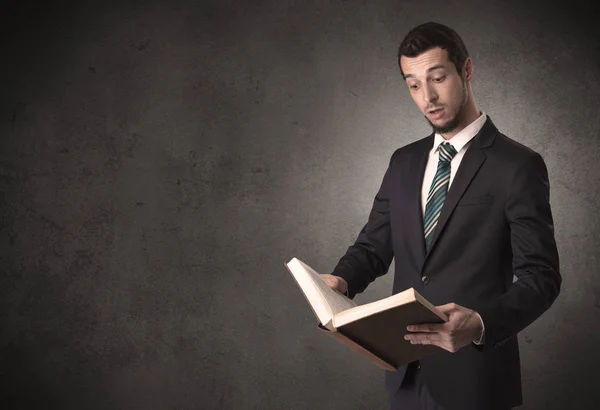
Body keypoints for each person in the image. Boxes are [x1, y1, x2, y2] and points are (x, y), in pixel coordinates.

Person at [320, 22, 561, 410]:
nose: (427, 97)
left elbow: (542, 278)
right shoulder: (403, 161)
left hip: (476, 381)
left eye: (437, 78)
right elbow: (373, 246)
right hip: (404, 377)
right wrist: (340, 280)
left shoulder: (518, 166)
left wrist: (481, 323)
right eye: (413, 85)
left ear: (466, 70)